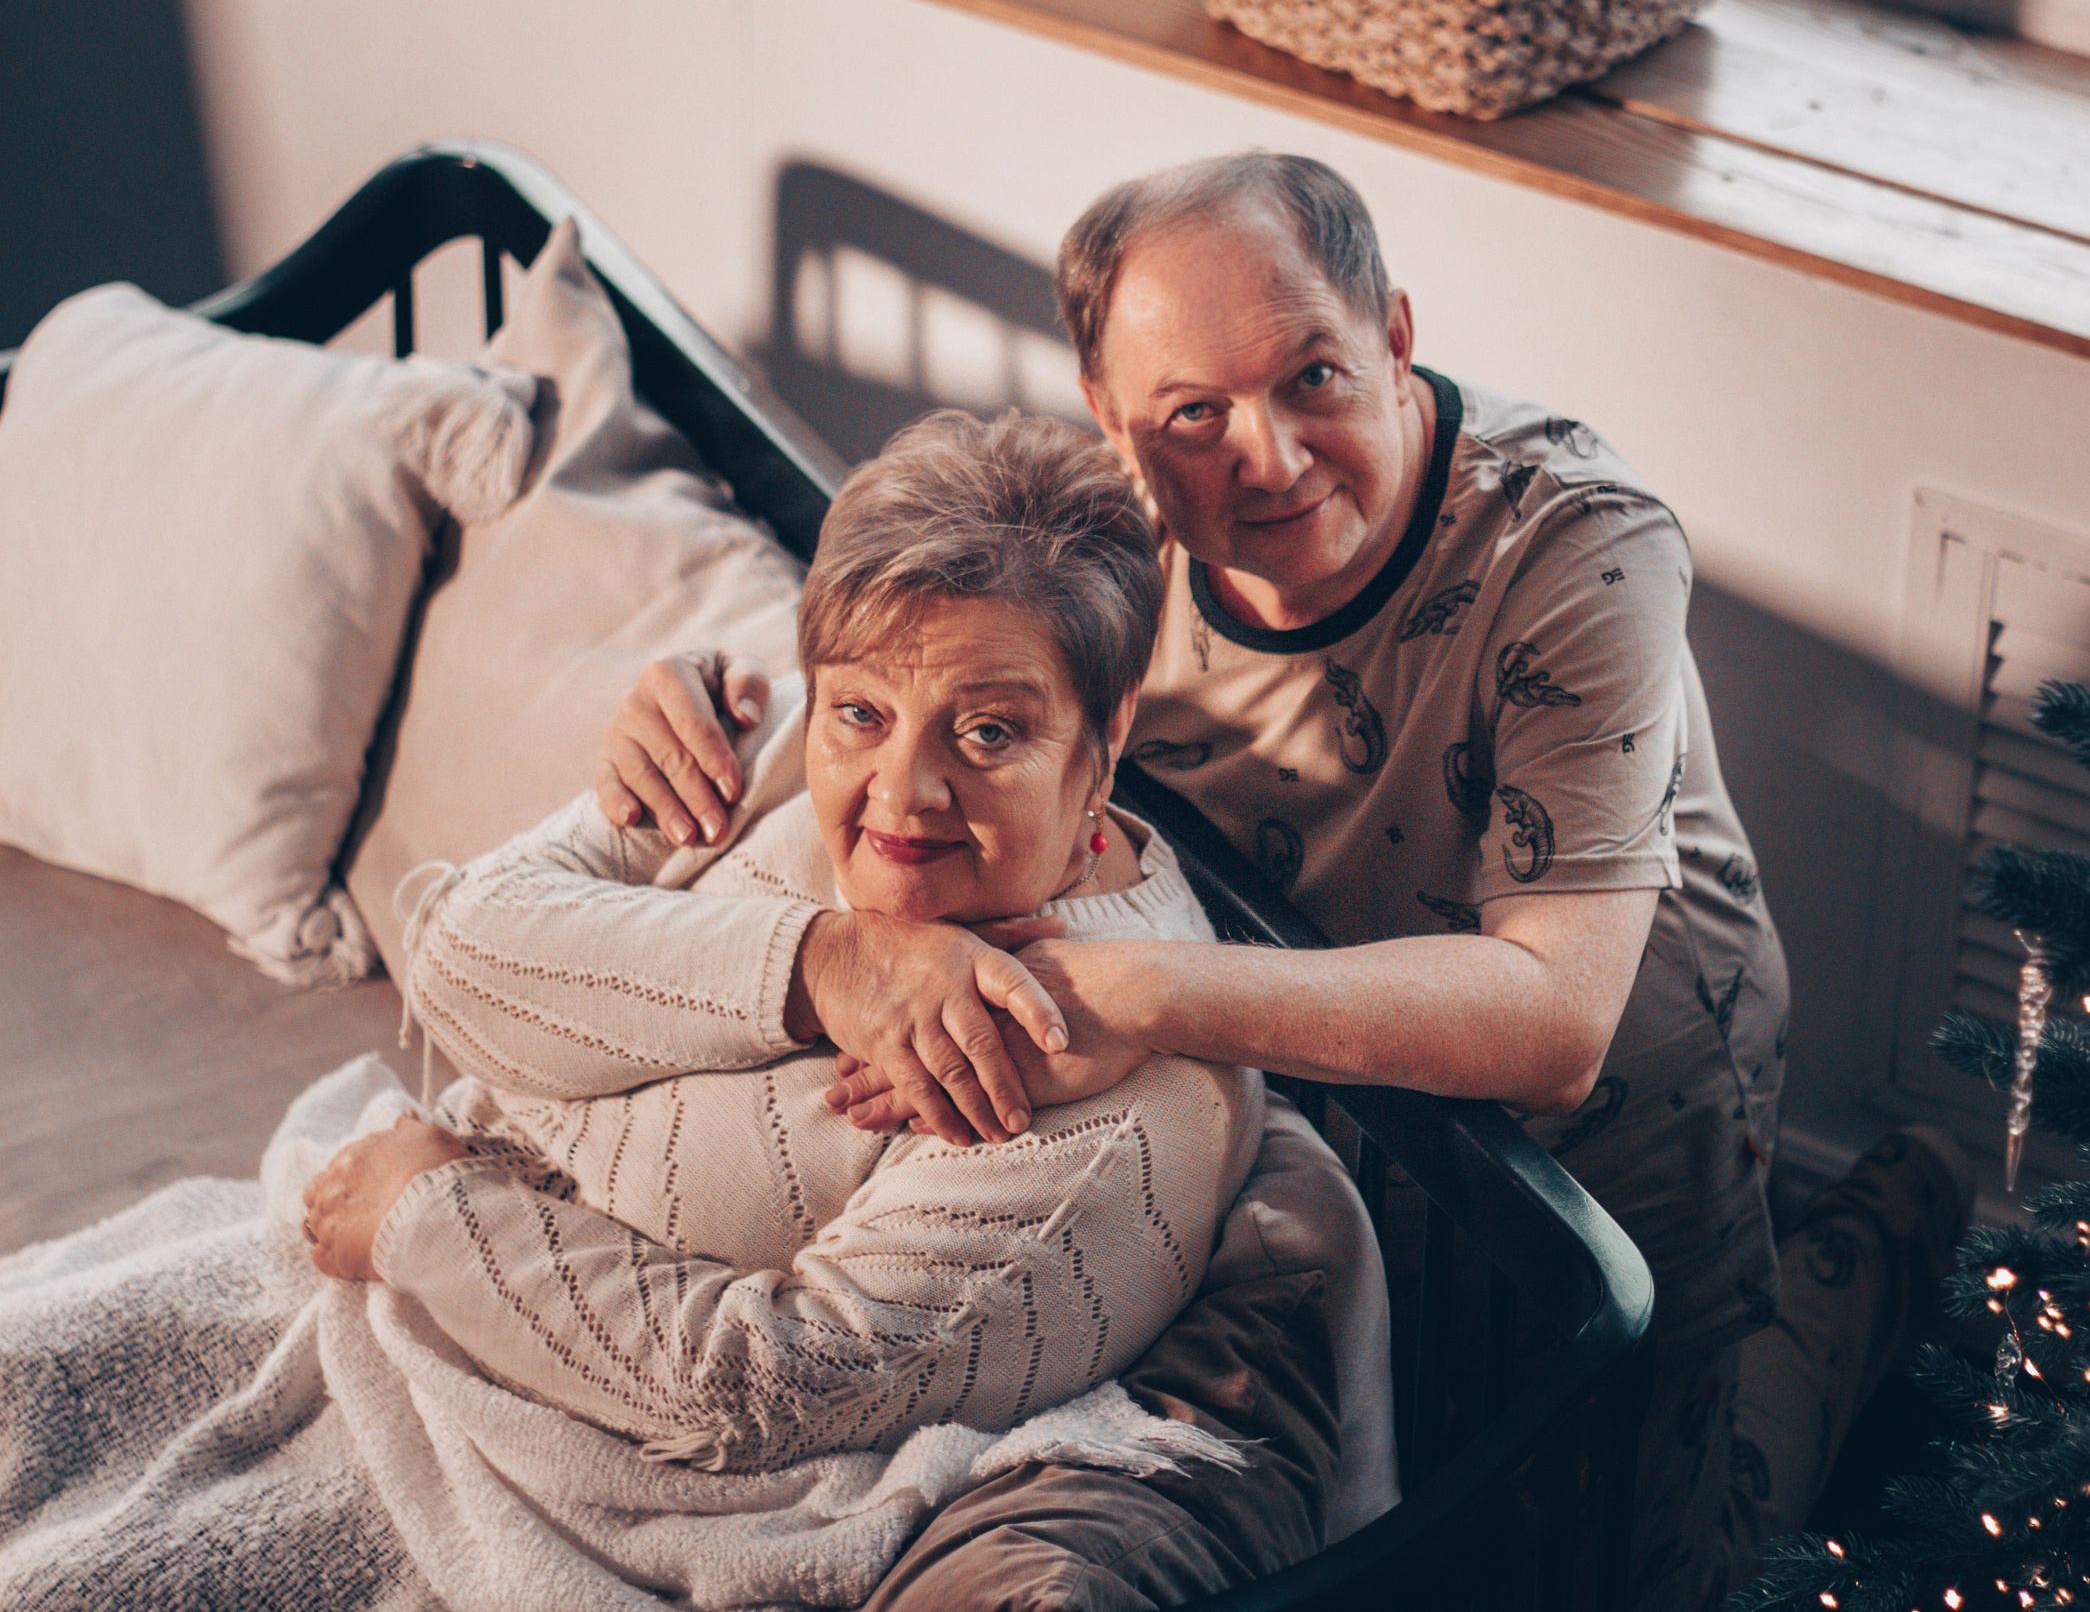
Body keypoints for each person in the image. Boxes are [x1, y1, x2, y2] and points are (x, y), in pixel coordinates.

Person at [599, 153, 1965, 1605]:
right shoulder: (1108, 539)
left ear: (1394, 335)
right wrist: (708, 689)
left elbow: (1556, 1022)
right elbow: (917, 650)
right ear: (1116, 431)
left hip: (1619, 1108)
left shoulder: (1578, 541)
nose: (1269, 454)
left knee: (1649, 1550)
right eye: (1193, 414)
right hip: (1319, 1073)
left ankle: (1871, 1257)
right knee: (1440, 1481)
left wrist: (1134, 988)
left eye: (1313, 374)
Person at [300, 408, 1282, 1472]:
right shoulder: (765, 735)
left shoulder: (1114, 1120)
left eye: (988, 732)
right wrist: (826, 968)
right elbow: (454, 958)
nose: (900, 794)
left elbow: (767, 1392)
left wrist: (432, 1216)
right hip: (372, 1238)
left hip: (517, 1393)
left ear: (1107, 734)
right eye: (859, 714)